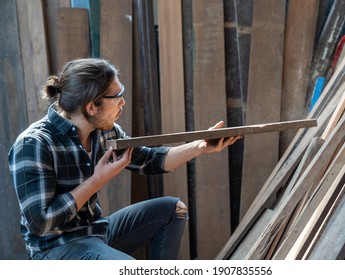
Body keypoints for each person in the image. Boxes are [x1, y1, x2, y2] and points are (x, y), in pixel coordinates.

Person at [8, 58, 240, 260]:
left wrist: (200, 146)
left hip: (95, 232)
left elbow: (151, 160)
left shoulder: (105, 131)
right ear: (91, 107)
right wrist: (96, 181)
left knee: (172, 210)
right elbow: (41, 222)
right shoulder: (34, 144)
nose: (123, 102)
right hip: (54, 249)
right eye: (117, 97)